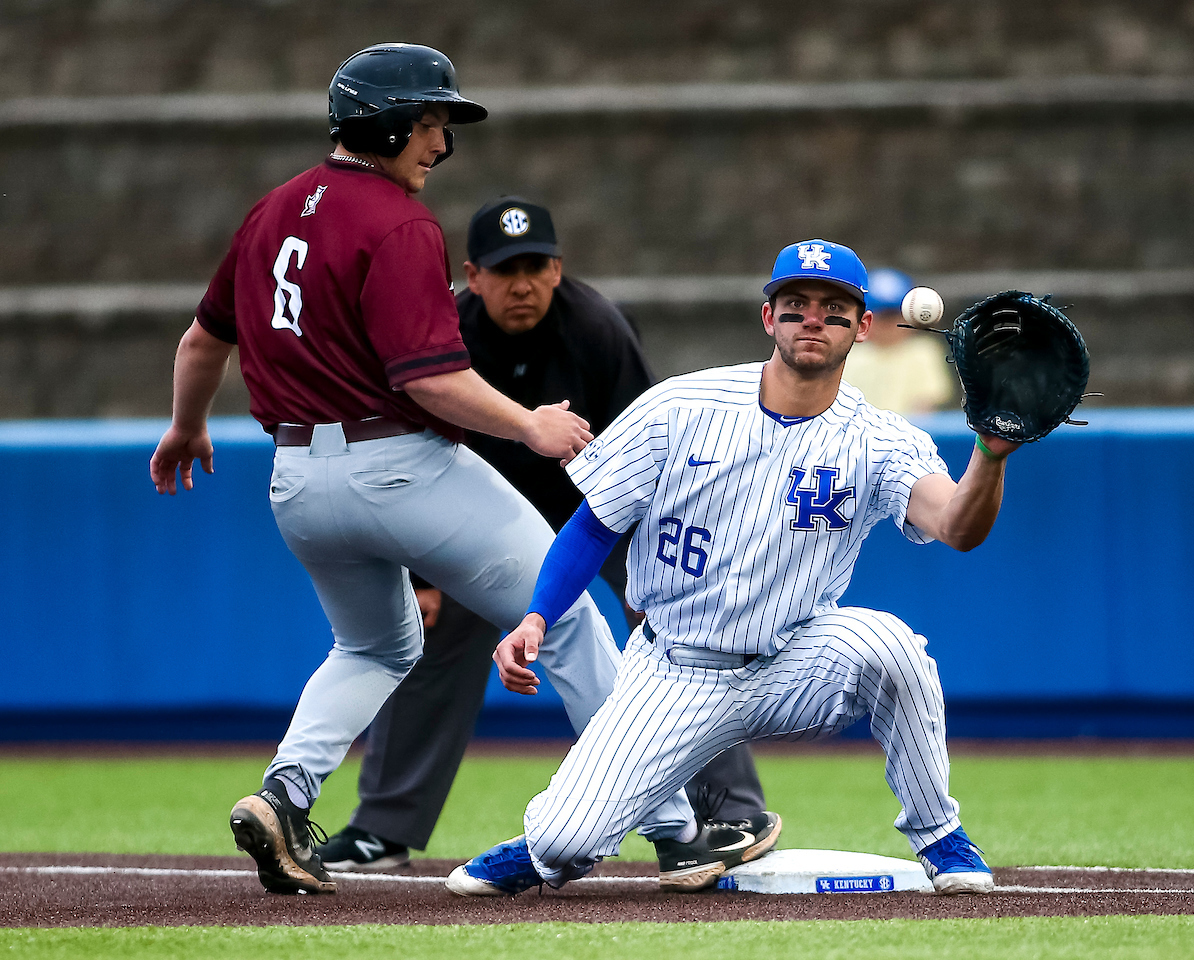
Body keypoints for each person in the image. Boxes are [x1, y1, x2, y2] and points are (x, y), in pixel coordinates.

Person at [147, 43, 697, 896]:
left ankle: (285, 797)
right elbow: (430, 379)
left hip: (296, 477)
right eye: (434, 125)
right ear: (394, 123)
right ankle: (674, 829)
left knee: (373, 645)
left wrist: (185, 426)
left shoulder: (270, 211)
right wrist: (531, 424)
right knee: (568, 619)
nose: (440, 146)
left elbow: (199, 341)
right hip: (397, 462)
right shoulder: (399, 222)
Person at [446, 239, 1015, 898]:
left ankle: (939, 834)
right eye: (796, 304)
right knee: (565, 842)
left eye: (834, 309)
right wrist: (537, 617)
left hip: (795, 657)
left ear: (862, 326)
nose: (813, 319)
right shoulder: (679, 407)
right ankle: (554, 840)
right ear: (768, 317)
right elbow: (593, 524)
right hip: (674, 669)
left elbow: (957, 527)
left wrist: (991, 454)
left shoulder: (879, 438)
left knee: (893, 647)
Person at [316, 196, 769, 872]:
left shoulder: (596, 328)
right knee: (433, 636)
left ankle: (732, 812)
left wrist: (656, 575)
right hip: (479, 516)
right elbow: (404, 456)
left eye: (536, 266)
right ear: (472, 275)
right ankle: (385, 826)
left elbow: (655, 454)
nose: (521, 284)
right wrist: (418, 575)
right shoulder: (440, 333)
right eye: (504, 270)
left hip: (601, 511)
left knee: (679, 635)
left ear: (558, 270)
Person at [841, 268, 957, 416]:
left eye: (895, 315)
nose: (890, 325)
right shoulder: (849, 354)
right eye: (883, 317)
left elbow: (925, 408)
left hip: (908, 432)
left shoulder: (923, 351)